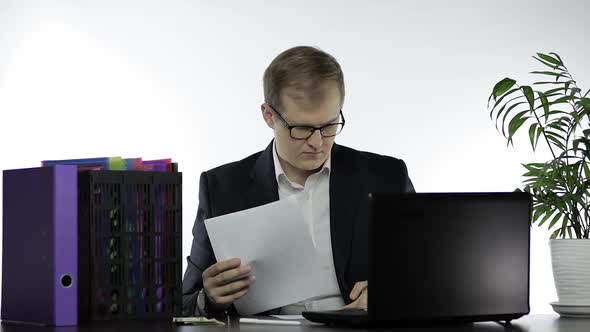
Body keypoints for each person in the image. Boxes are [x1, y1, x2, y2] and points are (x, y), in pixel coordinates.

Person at [182, 46, 415, 318]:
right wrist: (209, 298)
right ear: (268, 116)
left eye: (329, 126)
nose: (317, 143)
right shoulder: (222, 188)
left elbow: (426, 276)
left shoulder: (386, 177)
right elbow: (185, 303)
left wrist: (391, 291)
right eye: (301, 129)